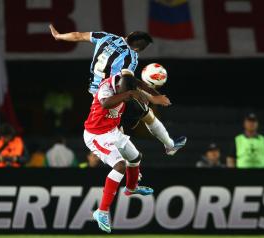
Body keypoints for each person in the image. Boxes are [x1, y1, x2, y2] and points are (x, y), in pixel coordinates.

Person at [49, 25, 186, 156]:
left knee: (117, 130)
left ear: (129, 35)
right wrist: (151, 97)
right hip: (110, 93)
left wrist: (59, 36)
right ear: (138, 50)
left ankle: (157, 149)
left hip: (95, 91)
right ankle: (168, 146)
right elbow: (127, 84)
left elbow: (78, 36)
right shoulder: (131, 57)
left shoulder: (106, 37)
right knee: (144, 114)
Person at [84, 70, 183, 233]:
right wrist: (129, 94)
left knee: (136, 157)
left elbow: (132, 100)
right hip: (97, 135)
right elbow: (105, 104)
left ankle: (131, 188)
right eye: (124, 92)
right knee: (120, 166)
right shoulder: (107, 87)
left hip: (113, 131)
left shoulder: (128, 88)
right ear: (118, 86)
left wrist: (140, 97)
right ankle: (101, 211)